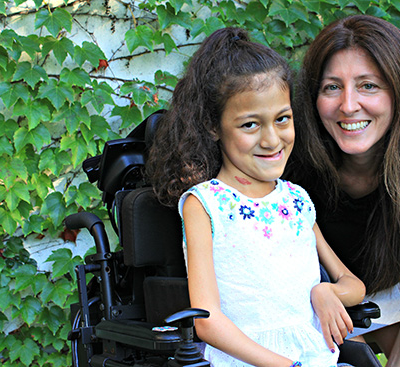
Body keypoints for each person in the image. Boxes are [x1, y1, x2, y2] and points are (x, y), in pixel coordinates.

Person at [145, 27, 365, 366]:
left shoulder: (296, 200)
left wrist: (327, 291)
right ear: (213, 127)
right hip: (243, 358)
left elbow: (353, 285)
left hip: (314, 356)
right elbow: (206, 320)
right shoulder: (205, 204)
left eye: (282, 119)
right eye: (250, 125)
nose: (272, 139)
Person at [287, 14, 400, 367]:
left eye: (368, 85)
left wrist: (399, 363)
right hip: (314, 301)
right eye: (331, 87)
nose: (348, 105)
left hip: (395, 297)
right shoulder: (292, 151)